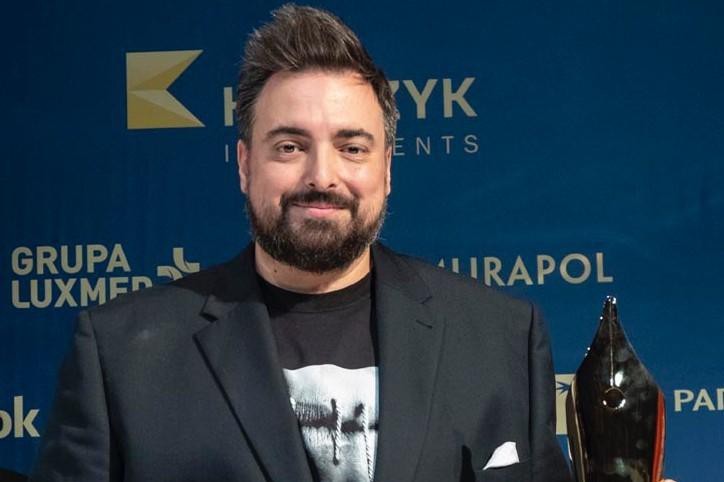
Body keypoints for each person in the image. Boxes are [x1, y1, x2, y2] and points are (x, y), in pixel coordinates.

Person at [30, 4, 677, 482]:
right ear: (244, 164)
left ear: (387, 168)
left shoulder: (500, 337)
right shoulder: (122, 355)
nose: (322, 176)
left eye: (352, 147)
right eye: (290, 146)